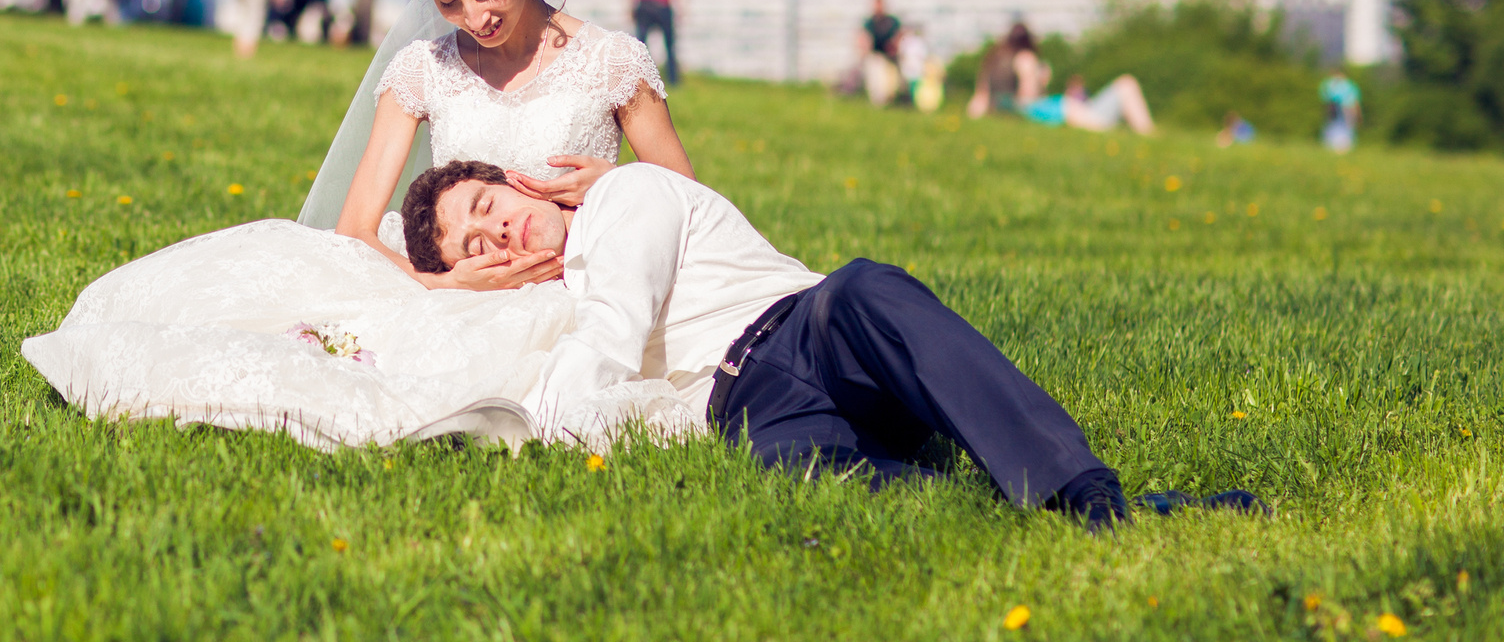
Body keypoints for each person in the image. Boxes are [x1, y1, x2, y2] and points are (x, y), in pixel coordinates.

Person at [22, 0, 700, 447]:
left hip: (577, 282)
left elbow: (690, 200)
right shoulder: (423, 70)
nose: (474, 16)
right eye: (448, 3)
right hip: (453, 283)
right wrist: (445, 288)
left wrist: (614, 182)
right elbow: (354, 224)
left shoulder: (611, 62)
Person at [398, 160, 1167, 528]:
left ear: (519, 183)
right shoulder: (550, 305)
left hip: (808, 329)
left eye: (485, 204)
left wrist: (529, 431)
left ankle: (1083, 490)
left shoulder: (624, 197)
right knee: (786, 470)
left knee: (869, 287)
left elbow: (616, 326)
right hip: (751, 403)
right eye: (474, 245)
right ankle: (1021, 509)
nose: (494, 230)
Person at [965, 22, 1046, 119]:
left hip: (991, 104)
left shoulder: (995, 56)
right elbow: (1028, 93)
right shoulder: (1025, 58)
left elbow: (982, 89)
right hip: (1016, 105)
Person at [1023, 75, 1155, 134]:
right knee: (1126, 84)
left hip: (1091, 111)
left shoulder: (1044, 101)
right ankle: (1148, 133)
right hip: (1094, 118)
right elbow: (1075, 119)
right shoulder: (1033, 107)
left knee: (1127, 84)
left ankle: (1147, 132)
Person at [857, 0, 904, 107]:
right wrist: (864, 51)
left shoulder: (892, 21)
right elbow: (863, 38)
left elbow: (900, 34)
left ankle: (893, 100)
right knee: (877, 82)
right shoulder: (869, 22)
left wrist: (895, 46)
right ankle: (880, 103)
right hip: (876, 56)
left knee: (894, 83)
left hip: (891, 56)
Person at [1319, 73, 1360, 153]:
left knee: (1346, 128)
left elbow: (1354, 101)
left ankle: (1344, 146)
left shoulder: (1348, 85)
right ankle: (1336, 145)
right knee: (1335, 127)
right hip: (1337, 109)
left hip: (1346, 109)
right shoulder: (1330, 84)